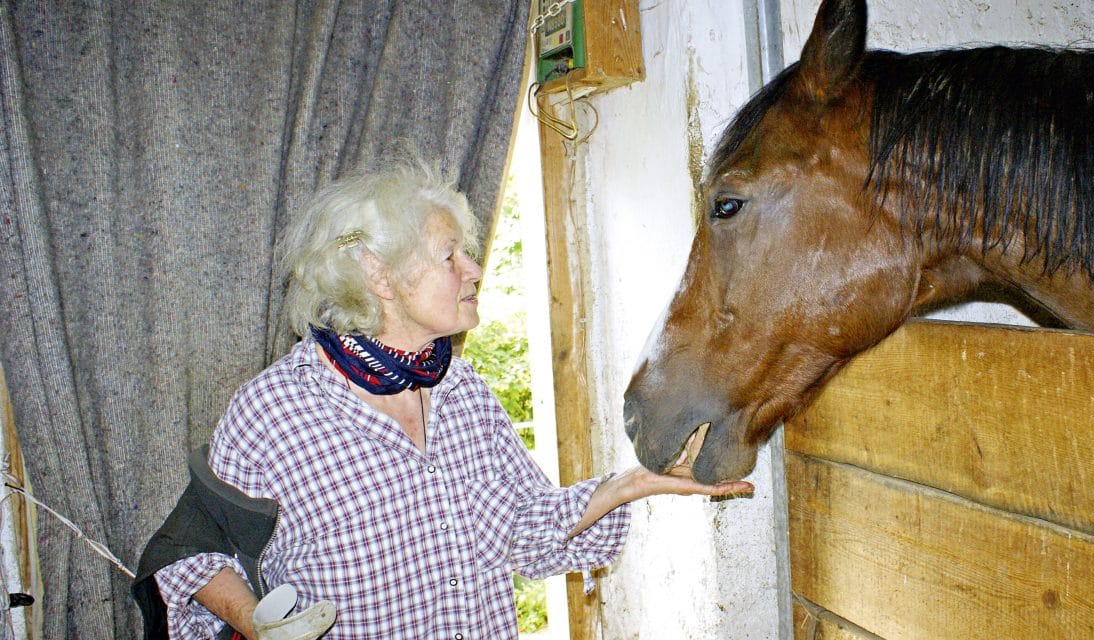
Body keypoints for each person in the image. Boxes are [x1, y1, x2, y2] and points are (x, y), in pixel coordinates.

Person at [131, 157, 752, 640]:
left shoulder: (462, 391)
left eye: (469, 253)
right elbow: (191, 549)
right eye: (449, 255)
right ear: (380, 276)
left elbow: (524, 531)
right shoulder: (275, 410)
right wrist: (257, 622)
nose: (474, 270)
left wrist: (635, 483)